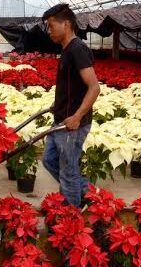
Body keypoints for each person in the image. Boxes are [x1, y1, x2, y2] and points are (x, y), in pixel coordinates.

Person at [41, 3, 100, 208]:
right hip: (61, 120)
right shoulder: (67, 50)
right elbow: (71, 85)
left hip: (73, 124)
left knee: (67, 172)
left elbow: (94, 87)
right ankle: (87, 191)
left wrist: (77, 116)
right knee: (49, 160)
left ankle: (72, 214)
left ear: (66, 24)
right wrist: (56, 105)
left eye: (51, 26)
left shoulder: (78, 49)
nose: (49, 31)